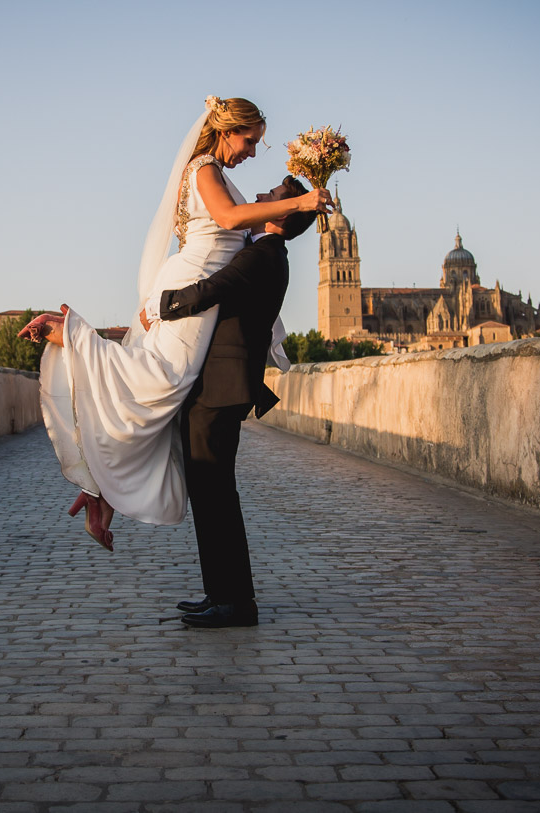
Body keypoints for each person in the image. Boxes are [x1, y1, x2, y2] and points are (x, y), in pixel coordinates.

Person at [20, 97, 330, 550]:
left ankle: (100, 491)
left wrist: (303, 199)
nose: (252, 152)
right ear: (227, 131)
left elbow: (257, 232)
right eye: (250, 140)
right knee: (160, 381)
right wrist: (301, 199)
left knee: (165, 402)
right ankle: (70, 334)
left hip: (190, 289)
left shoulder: (219, 176)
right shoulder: (204, 167)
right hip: (190, 288)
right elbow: (227, 220)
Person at [149, 177, 316, 627]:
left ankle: (236, 602)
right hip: (220, 388)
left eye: (268, 199)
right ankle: (221, 592)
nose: (257, 198)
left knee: (217, 494)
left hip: (221, 390)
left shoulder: (263, 255)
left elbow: (212, 288)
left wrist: (162, 305)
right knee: (210, 493)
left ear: (278, 217)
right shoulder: (265, 253)